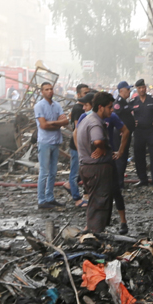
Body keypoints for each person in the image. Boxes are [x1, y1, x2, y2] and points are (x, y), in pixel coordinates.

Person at [75, 91, 118, 233]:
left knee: (95, 201)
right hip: (97, 168)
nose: (112, 110)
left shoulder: (86, 119)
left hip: (87, 167)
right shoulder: (95, 122)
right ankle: (96, 234)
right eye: (110, 107)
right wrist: (102, 147)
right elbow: (97, 139)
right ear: (101, 107)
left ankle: (92, 231)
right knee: (100, 202)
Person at [34, 81, 68, 209]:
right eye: (46, 89)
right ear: (42, 92)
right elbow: (43, 125)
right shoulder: (39, 106)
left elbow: (64, 121)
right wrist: (57, 123)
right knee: (44, 172)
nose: (49, 91)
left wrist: (52, 123)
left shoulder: (57, 105)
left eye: (51, 89)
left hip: (55, 141)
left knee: (53, 172)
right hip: (45, 142)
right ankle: (41, 200)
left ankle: (50, 197)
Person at [129, 78, 153, 187]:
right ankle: (143, 179)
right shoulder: (133, 102)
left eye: (143, 87)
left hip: (151, 132)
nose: (142, 90)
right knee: (139, 156)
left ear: (146, 88)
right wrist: (132, 122)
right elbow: (125, 113)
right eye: (139, 88)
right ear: (136, 89)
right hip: (138, 132)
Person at [67, 84, 92, 208]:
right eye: (84, 93)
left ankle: (69, 186)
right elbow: (77, 130)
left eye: (88, 92)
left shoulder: (85, 108)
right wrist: (79, 147)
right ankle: (76, 198)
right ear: (78, 95)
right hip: (77, 145)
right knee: (75, 172)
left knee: (82, 172)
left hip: (82, 145)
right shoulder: (78, 109)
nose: (87, 95)